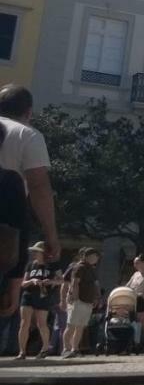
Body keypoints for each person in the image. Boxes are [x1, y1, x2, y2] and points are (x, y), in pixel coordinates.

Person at [0, 85, 61, 318]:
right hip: (6, 224)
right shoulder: (27, 135)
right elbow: (39, 187)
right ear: (28, 112)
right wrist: (51, 235)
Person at [14, 242, 57, 359]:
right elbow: (23, 283)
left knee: (41, 323)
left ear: (43, 253)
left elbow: (60, 280)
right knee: (24, 323)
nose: (33, 253)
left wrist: (50, 281)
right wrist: (32, 281)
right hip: (29, 294)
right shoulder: (30, 265)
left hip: (43, 295)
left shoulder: (52, 266)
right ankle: (22, 352)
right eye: (33, 251)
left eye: (36, 251)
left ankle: (45, 348)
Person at [63, 248, 100, 358]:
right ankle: (66, 349)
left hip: (87, 301)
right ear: (87, 256)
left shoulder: (91, 269)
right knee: (71, 326)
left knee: (80, 327)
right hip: (78, 300)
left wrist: (96, 298)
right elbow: (75, 283)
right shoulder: (79, 267)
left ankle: (75, 349)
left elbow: (94, 285)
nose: (96, 259)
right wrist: (75, 298)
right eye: (94, 256)